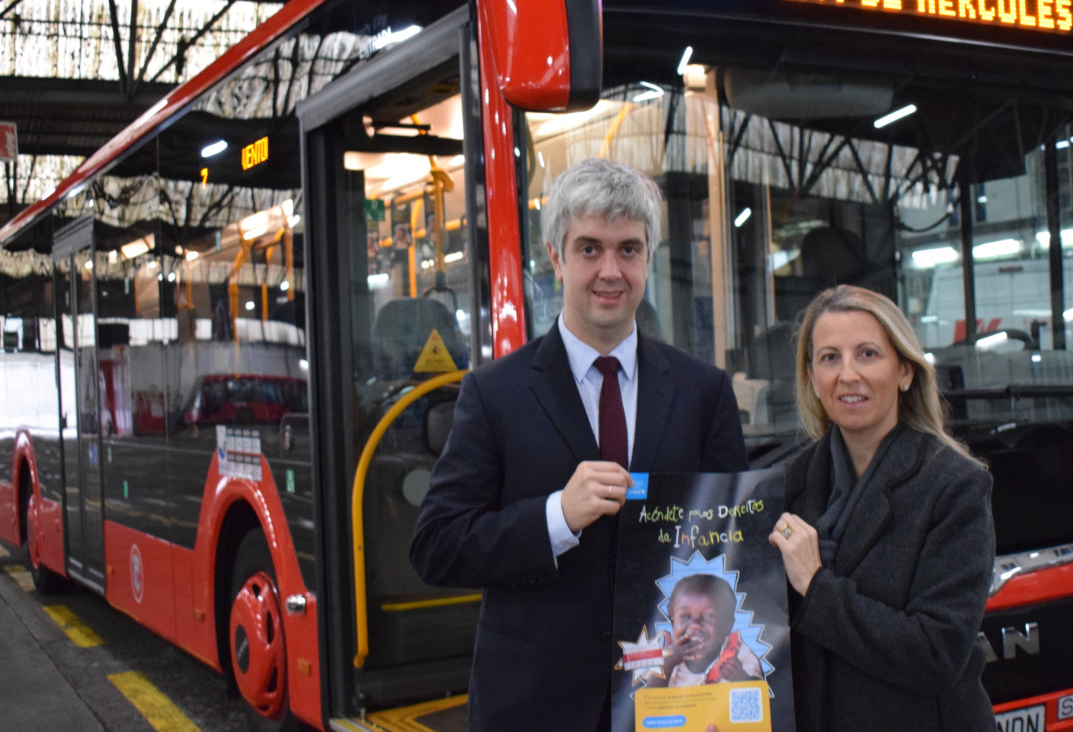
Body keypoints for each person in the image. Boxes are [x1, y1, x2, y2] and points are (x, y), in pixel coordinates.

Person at [410, 157, 748, 731]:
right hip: (536, 703)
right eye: (590, 248)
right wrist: (555, 518)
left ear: (648, 257)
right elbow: (436, 546)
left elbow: (732, 541)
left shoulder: (703, 392)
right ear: (555, 258)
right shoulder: (495, 394)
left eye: (629, 249)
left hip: (673, 703)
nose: (610, 270)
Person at [767, 285, 996, 732]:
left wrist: (817, 587)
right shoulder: (788, 484)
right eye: (830, 358)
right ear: (812, 376)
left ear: (905, 372)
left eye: (868, 354)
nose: (848, 374)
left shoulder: (954, 486)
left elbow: (936, 653)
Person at [646, 573, 763, 688]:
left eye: (709, 616)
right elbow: (648, 702)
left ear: (728, 624)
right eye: (685, 616)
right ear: (672, 617)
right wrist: (666, 665)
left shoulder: (740, 654)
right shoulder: (666, 658)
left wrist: (739, 677)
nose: (695, 625)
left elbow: (759, 696)